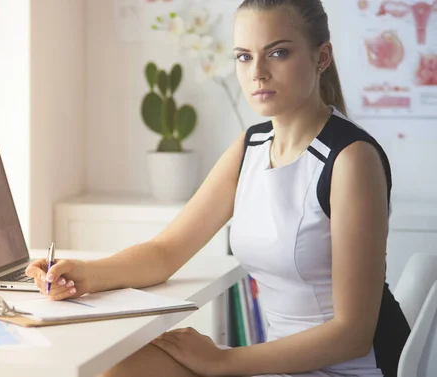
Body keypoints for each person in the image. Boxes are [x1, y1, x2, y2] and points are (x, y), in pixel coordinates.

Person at [25, 0, 411, 376]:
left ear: (321, 57)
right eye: (244, 56)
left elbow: (353, 335)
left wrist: (223, 363)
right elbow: (165, 252)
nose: (257, 72)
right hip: (276, 360)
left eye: (277, 54)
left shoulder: (351, 159)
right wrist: (83, 274)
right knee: (115, 367)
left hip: (350, 367)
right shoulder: (251, 147)